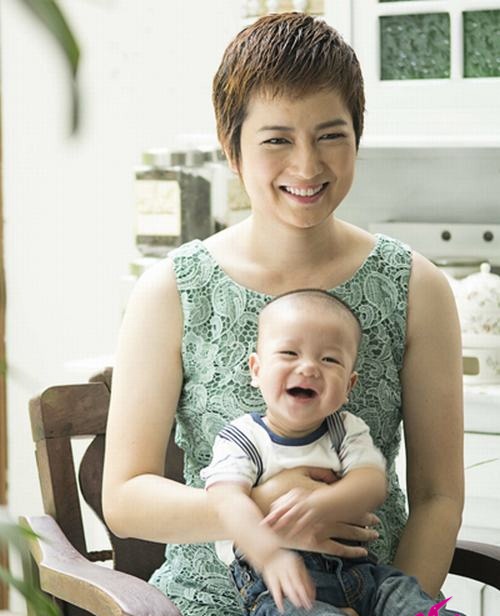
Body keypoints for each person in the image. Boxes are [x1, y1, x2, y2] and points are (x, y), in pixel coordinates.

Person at [102, 12, 464, 616]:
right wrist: (264, 512)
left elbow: (437, 496)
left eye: (330, 135)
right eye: (276, 140)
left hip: (372, 596)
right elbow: (125, 497)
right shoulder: (169, 290)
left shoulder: (417, 287)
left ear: (357, 136)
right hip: (210, 602)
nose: (306, 166)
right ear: (232, 149)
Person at [201, 289, 463, 616]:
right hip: (284, 587)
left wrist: (321, 503)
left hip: (364, 578)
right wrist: (270, 555)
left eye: (329, 359)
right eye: (289, 353)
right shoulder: (243, 437)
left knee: (410, 598)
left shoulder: (345, 430)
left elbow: (371, 482)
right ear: (256, 370)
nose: (309, 368)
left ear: (349, 386)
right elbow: (227, 501)